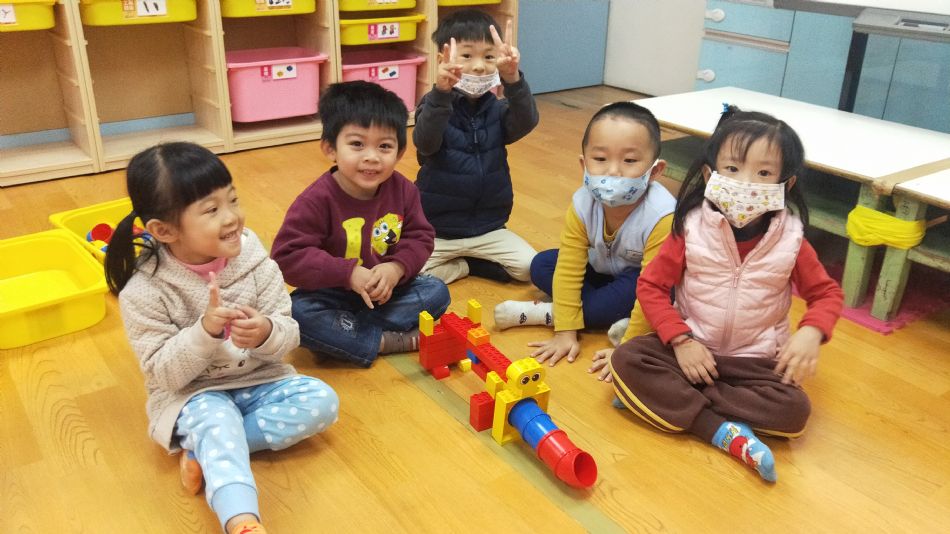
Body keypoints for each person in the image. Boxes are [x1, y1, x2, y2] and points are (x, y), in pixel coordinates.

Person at [105, 142, 339, 534]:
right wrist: (204, 333)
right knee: (216, 419)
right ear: (164, 230)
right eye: (211, 210)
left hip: (261, 381)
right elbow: (164, 374)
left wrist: (266, 332)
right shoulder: (144, 291)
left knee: (322, 401)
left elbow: (288, 334)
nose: (232, 217)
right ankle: (241, 520)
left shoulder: (254, 258)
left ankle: (207, 451)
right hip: (193, 395)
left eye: (232, 199)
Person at [609, 106, 844, 482]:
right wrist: (681, 340)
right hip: (691, 350)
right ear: (709, 175)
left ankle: (668, 402)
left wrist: (811, 332)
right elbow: (651, 286)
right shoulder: (690, 228)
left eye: (763, 173)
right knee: (627, 358)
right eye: (732, 169)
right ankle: (722, 431)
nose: (746, 183)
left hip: (755, 362)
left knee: (795, 410)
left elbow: (827, 294)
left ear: (785, 185)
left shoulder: (791, 240)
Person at [271, 81, 450, 368]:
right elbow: (287, 256)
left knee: (437, 291)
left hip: (384, 291)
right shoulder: (316, 200)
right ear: (330, 148)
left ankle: (344, 337)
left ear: (399, 153)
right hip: (331, 293)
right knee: (297, 314)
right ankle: (382, 340)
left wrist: (396, 268)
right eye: (357, 144)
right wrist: (348, 273)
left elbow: (420, 236)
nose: (371, 157)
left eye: (384, 146)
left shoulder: (404, 190)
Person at [493, 102, 676, 378]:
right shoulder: (583, 203)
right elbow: (569, 264)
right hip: (601, 270)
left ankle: (549, 313)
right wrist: (566, 332)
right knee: (541, 264)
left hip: (643, 282)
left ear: (655, 170)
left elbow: (654, 287)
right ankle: (587, 314)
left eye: (629, 161)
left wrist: (628, 347)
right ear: (584, 164)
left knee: (621, 300)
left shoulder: (661, 215)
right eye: (600, 159)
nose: (613, 171)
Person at [413, 8, 540, 284]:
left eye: (489, 57)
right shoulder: (433, 104)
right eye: (467, 56)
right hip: (438, 229)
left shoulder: (497, 109)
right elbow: (425, 143)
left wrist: (513, 79)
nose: (480, 66)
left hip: (488, 228)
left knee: (529, 269)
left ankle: (473, 262)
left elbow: (526, 121)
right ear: (443, 59)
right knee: (408, 271)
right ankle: (463, 266)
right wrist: (441, 93)